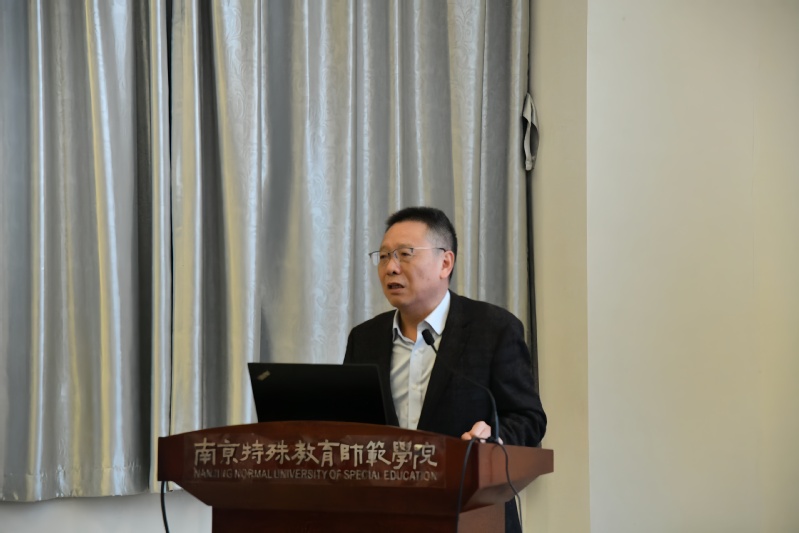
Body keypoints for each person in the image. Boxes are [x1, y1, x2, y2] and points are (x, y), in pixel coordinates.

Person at [343, 206, 546, 533]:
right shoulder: (364, 338)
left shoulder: (493, 329)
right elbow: (349, 424)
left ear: (445, 263)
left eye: (405, 254)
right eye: (383, 257)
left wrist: (493, 439)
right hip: (386, 515)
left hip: (471, 514)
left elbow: (528, 418)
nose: (391, 267)